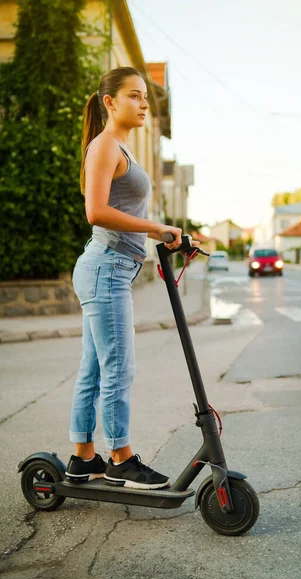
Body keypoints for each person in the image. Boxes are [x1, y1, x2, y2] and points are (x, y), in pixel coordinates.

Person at [65, 66, 194, 490]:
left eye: (145, 97)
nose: (142, 104)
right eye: (135, 96)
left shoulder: (119, 146)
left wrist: (161, 234)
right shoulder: (104, 146)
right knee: (118, 367)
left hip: (109, 267)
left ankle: (84, 457)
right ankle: (120, 458)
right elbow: (96, 211)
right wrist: (156, 228)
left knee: (95, 368)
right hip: (106, 269)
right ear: (110, 102)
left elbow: (124, 211)